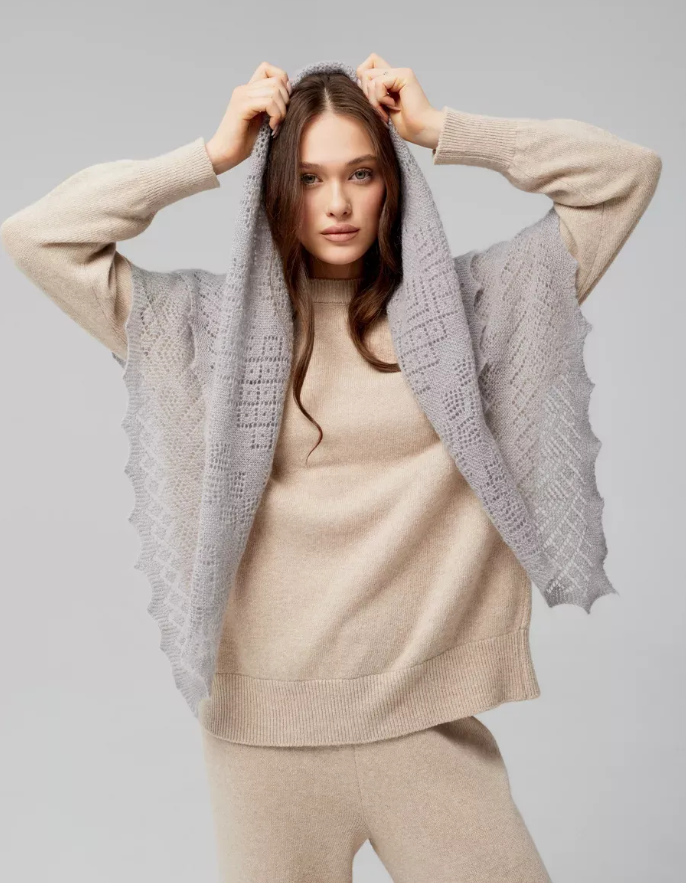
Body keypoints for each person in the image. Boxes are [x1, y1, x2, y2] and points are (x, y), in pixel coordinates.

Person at [1, 53, 661, 883]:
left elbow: (623, 177)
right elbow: (39, 236)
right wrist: (209, 155)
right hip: (263, 747)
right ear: (278, 191)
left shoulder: (475, 313)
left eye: (361, 173)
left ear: (393, 183)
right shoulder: (208, 332)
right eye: (309, 179)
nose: (338, 203)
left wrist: (443, 129)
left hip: (425, 727)